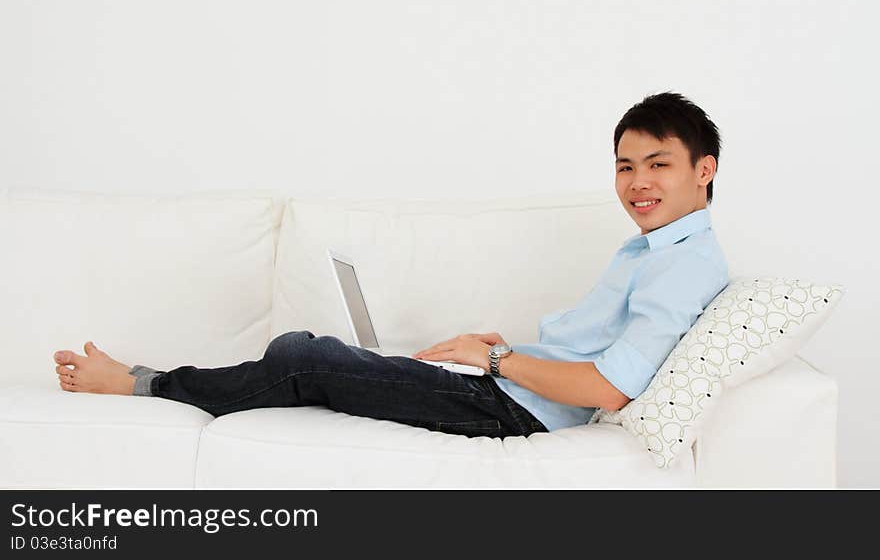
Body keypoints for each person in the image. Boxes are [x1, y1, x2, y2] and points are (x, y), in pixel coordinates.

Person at [52, 91, 729, 439]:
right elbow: (601, 356)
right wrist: (511, 351)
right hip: (513, 390)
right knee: (323, 357)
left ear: (705, 169)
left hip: (513, 411)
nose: (638, 182)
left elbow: (611, 388)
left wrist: (498, 364)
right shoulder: (654, 248)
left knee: (304, 358)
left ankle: (143, 385)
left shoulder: (686, 264)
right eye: (625, 166)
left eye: (657, 164)